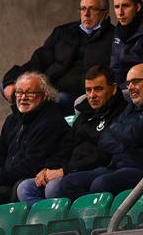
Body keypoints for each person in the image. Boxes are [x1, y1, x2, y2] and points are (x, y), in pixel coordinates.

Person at [17, 65, 127, 204]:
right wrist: (49, 168)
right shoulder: (84, 113)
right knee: (26, 188)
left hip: (100, 168)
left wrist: (65, 170)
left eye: (98, 89)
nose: (92, 95)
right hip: (73, 168)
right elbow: (67, 145)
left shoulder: (121, 113)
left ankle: (71, 221)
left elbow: (102, 155)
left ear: (114, 89)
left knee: (54, 187)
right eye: (88, 90)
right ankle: (53, 221)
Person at [60, 63, 143, 199]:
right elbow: (105, 137)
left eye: (135, 82)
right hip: (118, 164)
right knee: (67, 184)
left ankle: (111, 214)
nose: (130, 87)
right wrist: (125, 142)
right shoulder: (132, 106)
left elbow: (139, 132)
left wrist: (120, 133)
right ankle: (100, 211)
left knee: (100, 184)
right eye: (128, 83)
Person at [2, 0, 114, 114]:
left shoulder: (113, 38)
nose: (86, 14)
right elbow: (39, 60)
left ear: (105, 14)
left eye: (92, 9)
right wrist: (12, 80)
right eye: (83, 9)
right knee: (10, 89)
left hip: (81, 95)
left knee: (55, 100)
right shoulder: (64, 32)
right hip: (50, 88)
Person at [0, 72, 70, 209]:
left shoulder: (51, 121)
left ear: (44, 95)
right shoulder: (12, 120)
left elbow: (32, 165)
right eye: (19, 92)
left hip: (27, 178)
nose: (23, 97)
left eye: (30, 93)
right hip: (7, 178)